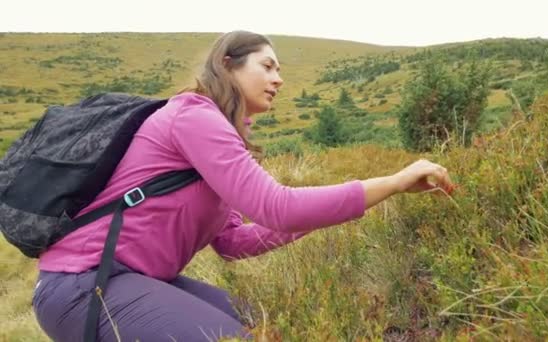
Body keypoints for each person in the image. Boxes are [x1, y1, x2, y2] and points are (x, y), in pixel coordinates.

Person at [32, 30, 453, 341]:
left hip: (137, 279)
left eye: (280, 70)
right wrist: (391, 183)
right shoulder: (194, 117)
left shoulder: (221, 133)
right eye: (267, 66)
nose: (279, 79)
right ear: (228, 65)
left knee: (265, 325)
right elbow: (279, 207)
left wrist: (323, 213)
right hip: (84, 284)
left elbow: (234, 242)